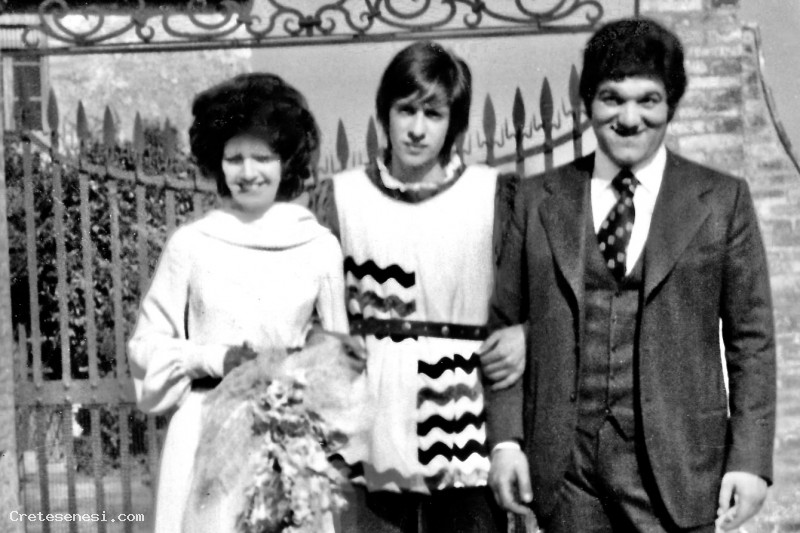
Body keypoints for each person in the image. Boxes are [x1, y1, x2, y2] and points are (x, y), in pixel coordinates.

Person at [486, 17, 776, 533]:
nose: (628, 118)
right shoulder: (537, 200)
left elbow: (751, 341)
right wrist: (506, 442)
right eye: (612, 98)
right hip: (566, 474)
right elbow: (504, 328)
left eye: (648, 100)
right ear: (587, 103)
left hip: (678, 470)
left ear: (671, 106)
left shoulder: (720, 200)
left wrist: (749, 460)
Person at [314, 40, 522, 532]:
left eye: (433, 113)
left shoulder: (491, 195)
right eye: (405, 110)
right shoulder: (342, 198)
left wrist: (526, 334)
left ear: (454, 122)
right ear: (384, 114)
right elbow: (312, 311)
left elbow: (530, 299)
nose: (416, 128)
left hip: (465, 415)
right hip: (372, 418)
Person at [128, 73, 348, 533]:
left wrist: (301, 384)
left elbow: (339, 358)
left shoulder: (319, 247)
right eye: (234, 158)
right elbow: (146, 348)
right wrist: (212, 358)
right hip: (205, 435)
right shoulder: (191, 245)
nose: (248, 173)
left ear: (287, 161)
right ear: (217, 162)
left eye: (262, 157)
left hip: (285, 438)